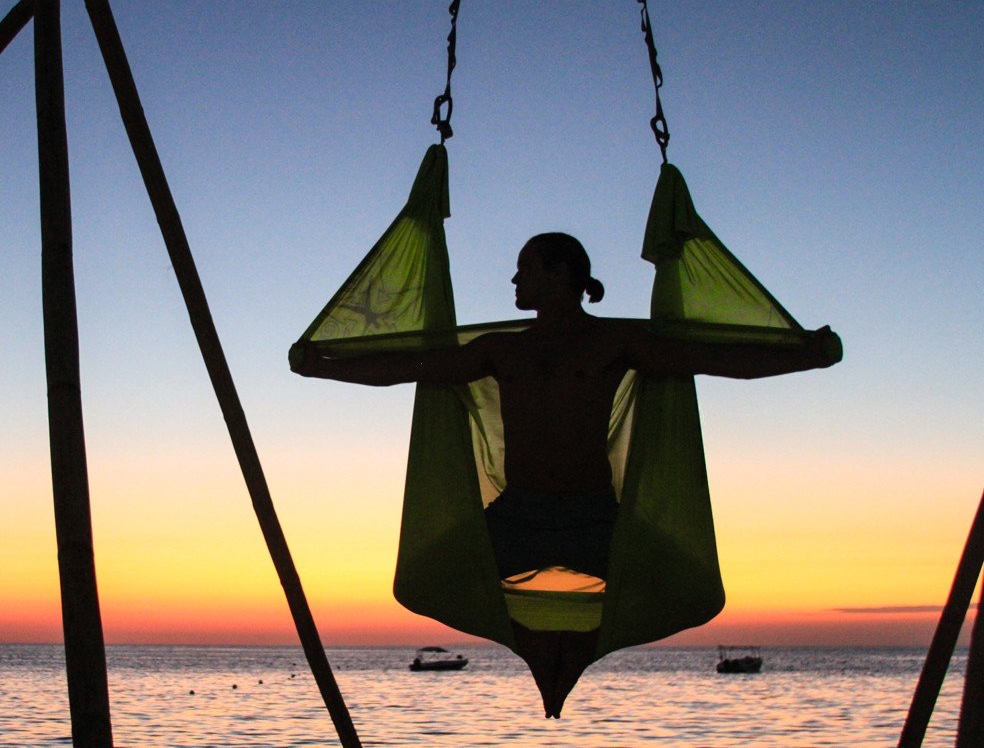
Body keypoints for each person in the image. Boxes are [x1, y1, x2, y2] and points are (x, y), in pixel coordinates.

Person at [292, 232, 841, 717]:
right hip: (518, 514)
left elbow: (713, 358)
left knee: (688, 590)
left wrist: (807, 356)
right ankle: (532, 646)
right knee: (424, 578)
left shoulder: (613, 342)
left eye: (525, 266)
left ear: (561, 275)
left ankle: (581, 651)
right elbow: (409, 368)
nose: (513, 277)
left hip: (594, 516)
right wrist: (325, 368)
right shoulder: (500, 349)